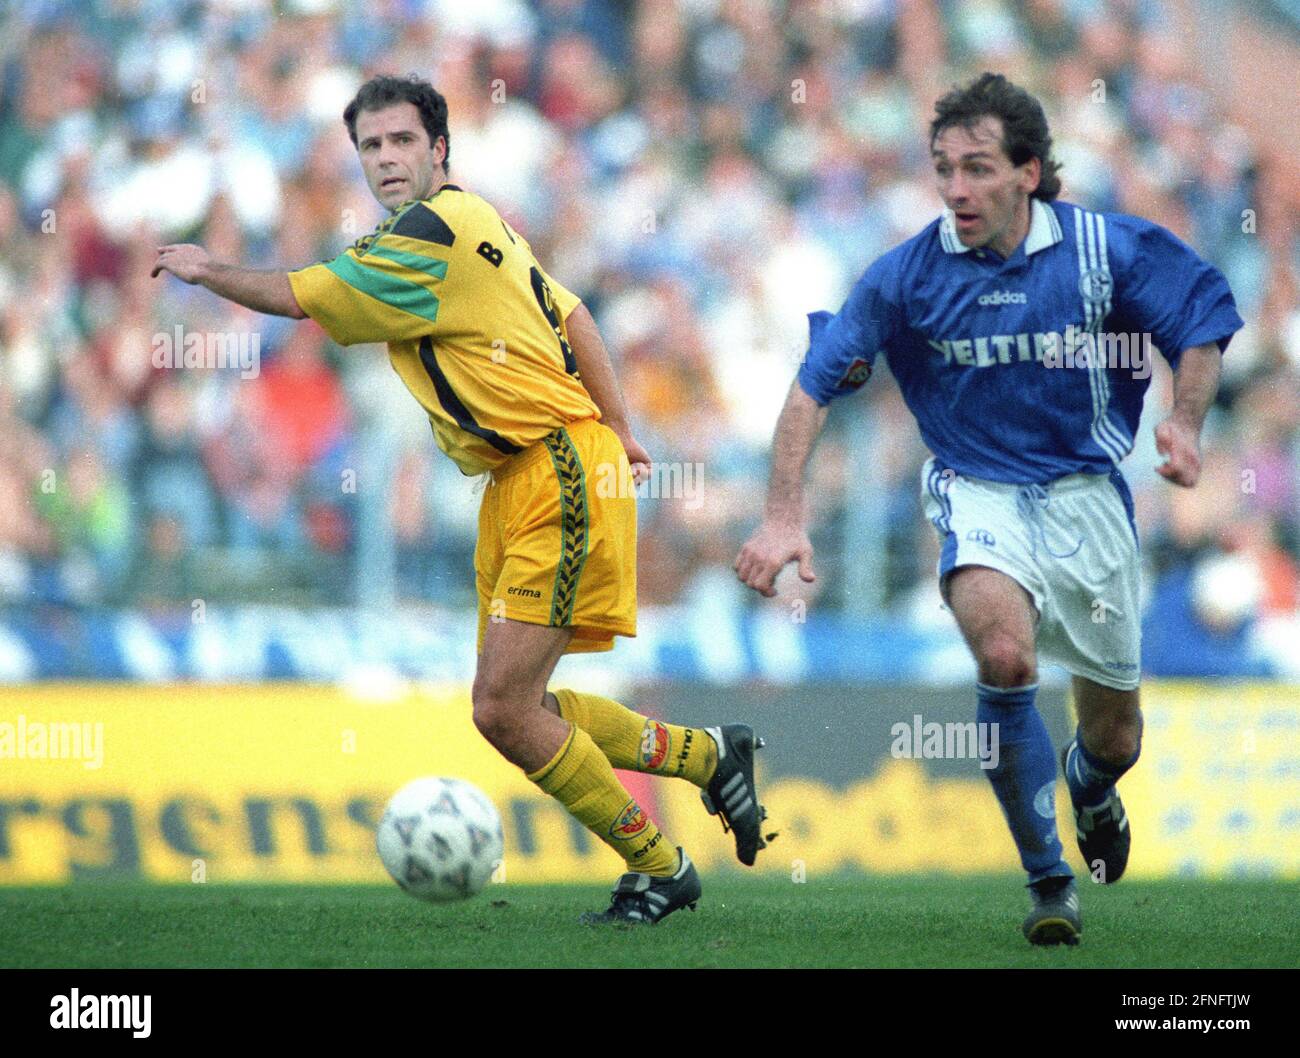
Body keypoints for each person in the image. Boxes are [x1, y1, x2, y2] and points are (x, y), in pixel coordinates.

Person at [153, 74, 769, 924]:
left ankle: (661, 864)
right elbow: (577, 314)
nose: (386, 158)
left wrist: (205, 269)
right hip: (527, 478)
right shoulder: (481, 225)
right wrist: (621, 428)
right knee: (521, 705)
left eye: (403, 140)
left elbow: (300, 297)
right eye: (371, 146)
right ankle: (708, 757)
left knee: (501, 709)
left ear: (439, 148)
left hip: (553, 472)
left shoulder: (428, 231)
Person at [734, 72, 1242, 945]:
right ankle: (1049, 881)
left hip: (1089, 500)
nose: (956, 189)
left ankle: (1090, 786)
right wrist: (783, 514)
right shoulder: (906, 276)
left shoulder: (1103, 250)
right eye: (943, 169)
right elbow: (814, 385)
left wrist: (1186, 425)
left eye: (976, 169)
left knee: (1116, 734)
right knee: (1005, 659)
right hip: (976, 489)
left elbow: (1200, 316)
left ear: (1029, 173)